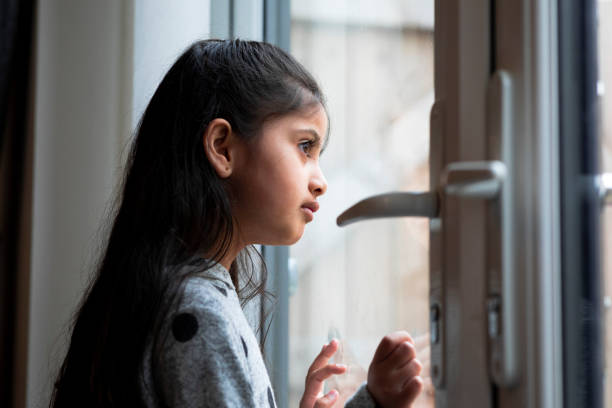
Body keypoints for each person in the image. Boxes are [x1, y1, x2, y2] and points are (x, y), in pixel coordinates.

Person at [50, 39, 423, 408]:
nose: (320, 180)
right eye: (305, 147)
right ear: (223, 148)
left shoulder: (185, 295)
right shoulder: (198, 314)